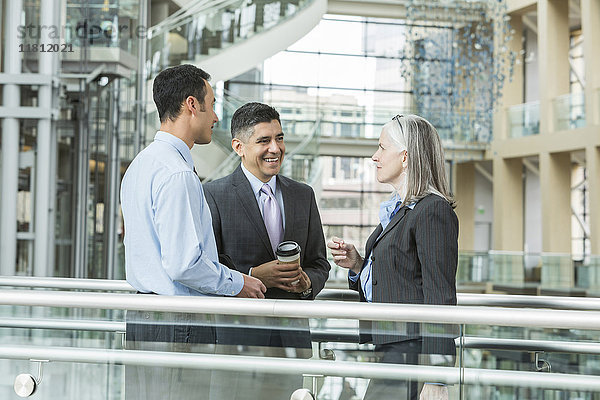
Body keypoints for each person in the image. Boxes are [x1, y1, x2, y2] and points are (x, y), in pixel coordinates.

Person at [120, 64, 266, 400]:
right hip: (178, 322)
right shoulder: (177, 174)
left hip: (144, 317)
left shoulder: (141, 165)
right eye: (211, 104)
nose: (215, 117)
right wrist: (238, 282)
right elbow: (184, 264)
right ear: (191, 105)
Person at [204, 102, 330, 399]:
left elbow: (319, 262)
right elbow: (206, 266)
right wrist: (250, 275)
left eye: (280, 138)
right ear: (238, 146)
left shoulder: (303, 195)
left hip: (293, 342)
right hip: (238, 343)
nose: (276, 148)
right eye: (264, 140)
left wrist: (306, 281)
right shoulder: (213, 195)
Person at [327, 114, 458, 400]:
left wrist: (438, 376)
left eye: (382, 147)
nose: (375, 156)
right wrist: (360, 264)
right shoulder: (401, 209)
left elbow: (440, 295)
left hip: (413, 353)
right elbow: (402, 275)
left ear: (405, 157)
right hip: (393, 345)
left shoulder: (432, 210)